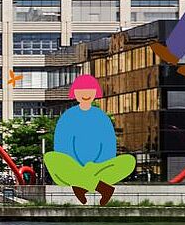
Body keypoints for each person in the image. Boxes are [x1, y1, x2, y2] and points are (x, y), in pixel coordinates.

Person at [44, 75, 136, 206]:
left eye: (89, 91)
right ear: (75, 94)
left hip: (98, 167)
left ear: (95, 93)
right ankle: (102, 187)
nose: (85, 94)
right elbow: (62, 148)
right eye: (81, 91)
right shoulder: (67, 117)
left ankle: (80, 185)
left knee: (128, 161)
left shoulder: (101, 117)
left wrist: (92, 165)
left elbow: (109, 148)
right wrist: (81, 165)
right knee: (51, 158)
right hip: (74, 166)